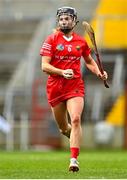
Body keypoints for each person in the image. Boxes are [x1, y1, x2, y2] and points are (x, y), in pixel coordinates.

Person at [40, 6, 108, 172]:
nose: (64, 21)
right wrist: (62, 72)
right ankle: (74, 138)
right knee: (64, 128)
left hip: (75, 86)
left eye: (67, 18)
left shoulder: (81, 42)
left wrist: (99, 73)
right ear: (58, 21)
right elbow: (44, 66)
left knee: (76, 119)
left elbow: (90, 62)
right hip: (55, 87)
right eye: (61, 19)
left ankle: (73, 160)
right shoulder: (51, 39)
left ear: (74, 21)